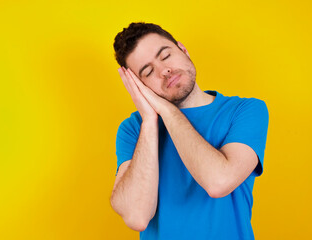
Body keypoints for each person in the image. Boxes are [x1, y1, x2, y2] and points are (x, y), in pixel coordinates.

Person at [110, 22, 269, 240]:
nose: (164, 70)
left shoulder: (245, 110)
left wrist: (166, 109)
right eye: (148, 72)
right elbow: (136, 216)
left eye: (166, 56)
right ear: (139, 86)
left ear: (183, 50)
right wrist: (149, 120)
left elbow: (218, 182)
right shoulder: (133, 129)